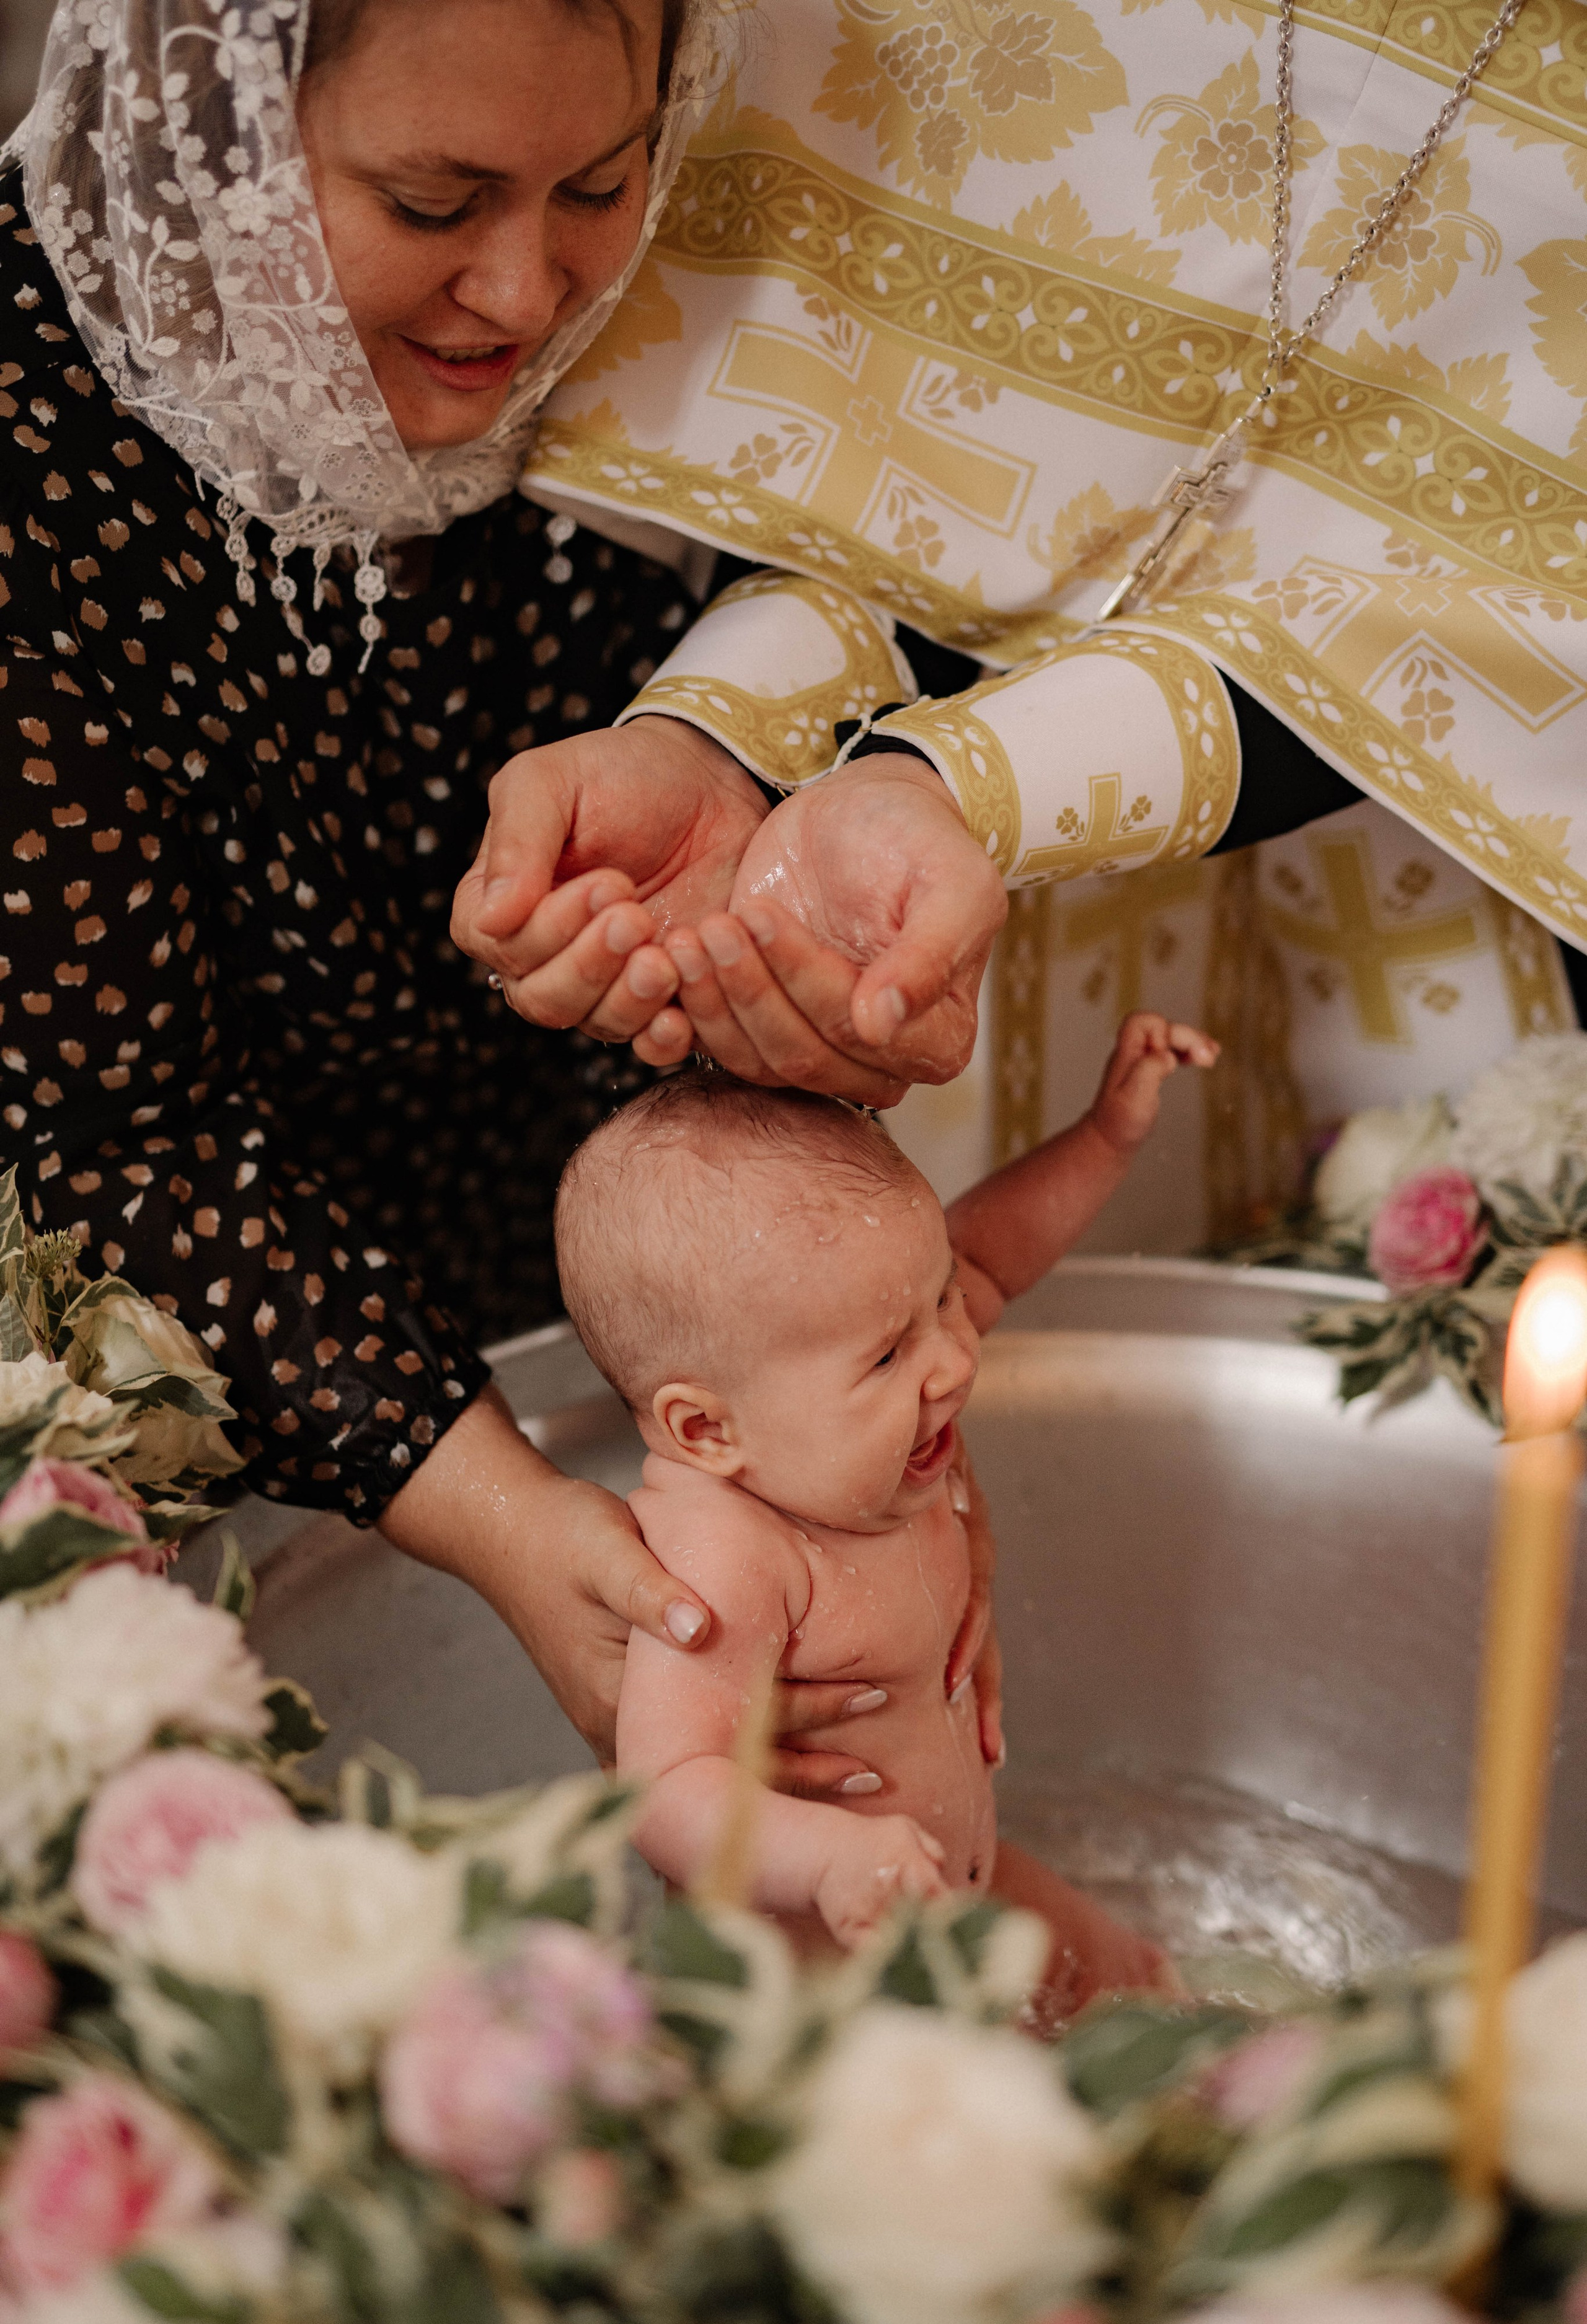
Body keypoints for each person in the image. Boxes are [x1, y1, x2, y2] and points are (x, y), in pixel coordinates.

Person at [0, 0, 991, 1778]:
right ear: (205, 115)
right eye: (432, 203)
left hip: (579, 1253)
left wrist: (838, 1403)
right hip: (179, 1324)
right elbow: (112, 1140)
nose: (528, 295)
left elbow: (832, 638)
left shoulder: (674, 321)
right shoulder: (28, 476)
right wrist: (507, 1519)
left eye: (599, 183)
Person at [452, 0, 1587, 1094]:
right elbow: (859, 439)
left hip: (1439, 884)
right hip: (881, 864)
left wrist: (957, 787)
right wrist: (726, 735)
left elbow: (1513, 603)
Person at [557, 1014, 1215, 2008]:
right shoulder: (729, 1554)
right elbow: (664, 1791)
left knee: (1143, 1985)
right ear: (707, 1430)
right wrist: (828, 1858)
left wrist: (1105, 1135)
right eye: (886, 1356)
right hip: (830, 1983)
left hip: (955, 1895)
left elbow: (993, 1256)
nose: (953, 1359)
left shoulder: (843, 1418)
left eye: (940, 1301)